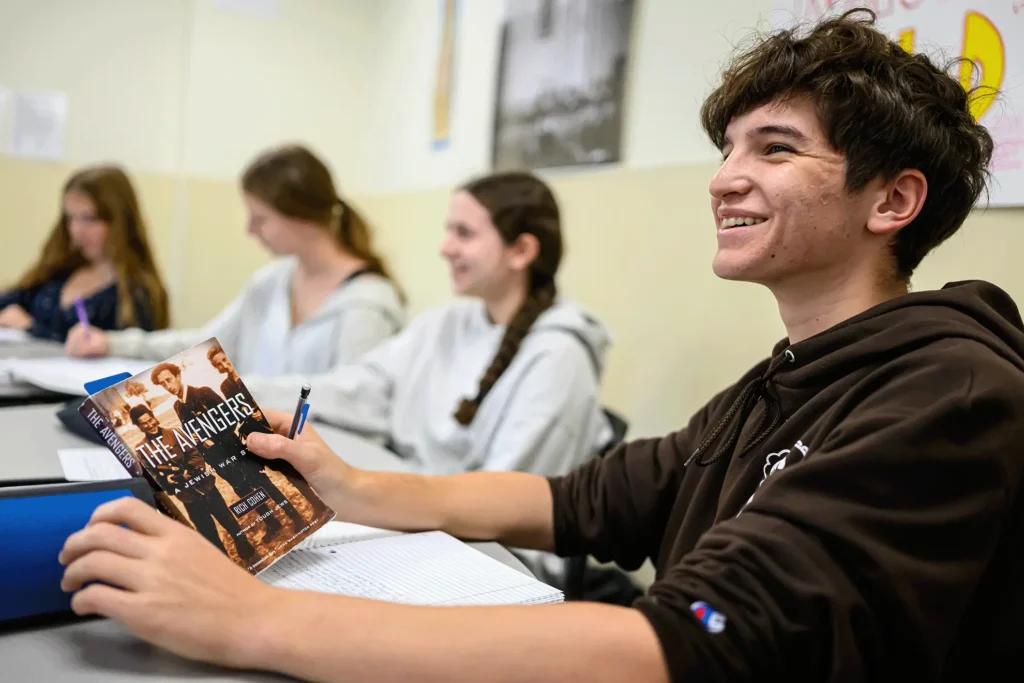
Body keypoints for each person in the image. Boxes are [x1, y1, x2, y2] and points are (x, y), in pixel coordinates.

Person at [57, 10, 1024, 682]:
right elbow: (579, 500)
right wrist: (351, 486)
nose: (724, 177)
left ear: (893, 200)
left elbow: (701, 639)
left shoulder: (953, 392)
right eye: (727, 148)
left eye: (773, 148)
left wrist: (252, 619)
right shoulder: (776, 384)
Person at [245, 170, 614, 479]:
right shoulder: (445, 323)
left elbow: (506, 503)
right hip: (419, 508)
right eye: (448, 230)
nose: (444, 248)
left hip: (474, 536)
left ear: (521, 251)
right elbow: (360, 389)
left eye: (464, 233)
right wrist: (245, 392)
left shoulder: (559, 359)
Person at [65, 144, 405, 379]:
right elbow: (206, 345)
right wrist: (112, 343)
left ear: (300, 218)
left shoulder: (368, 305)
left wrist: (247, 391)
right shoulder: (270, 283)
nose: (250, 230)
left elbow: (352, 403)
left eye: (260, 218)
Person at [0, 165, 169, 342]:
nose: (76, 230)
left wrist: (32, 328)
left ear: (119, 221)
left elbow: (122, 349)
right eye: (70, 218)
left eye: (90, 218)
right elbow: (12, 299)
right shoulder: (58, 269)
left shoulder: (138, 292)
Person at [150, 361, 307, 535]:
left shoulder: (203, 393)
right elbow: (191, 432)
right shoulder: (178, 406)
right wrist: (196, 440)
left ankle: (295, 516)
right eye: (163, 384)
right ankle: (272, 523)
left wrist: (210, 439)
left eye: (169, 380)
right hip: (216, 459)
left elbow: (231, 418)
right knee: (243, 491)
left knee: (261, 481)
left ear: (178, 376)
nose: (168, 386)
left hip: (232, 449)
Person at [127, 404, 259, 566]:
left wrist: (190, 474)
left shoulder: (175, 433)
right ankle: (223, 563)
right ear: (139, 426)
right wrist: (168, 482)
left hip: (206, 486)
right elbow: (152, 475)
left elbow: (195, 455)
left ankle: (247, 550)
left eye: (150, 420)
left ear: (154, 417)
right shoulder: (141, 449)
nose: (150, 425)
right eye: (144, 423)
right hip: (187, 497)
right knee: (207, 532)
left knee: (228, 519)